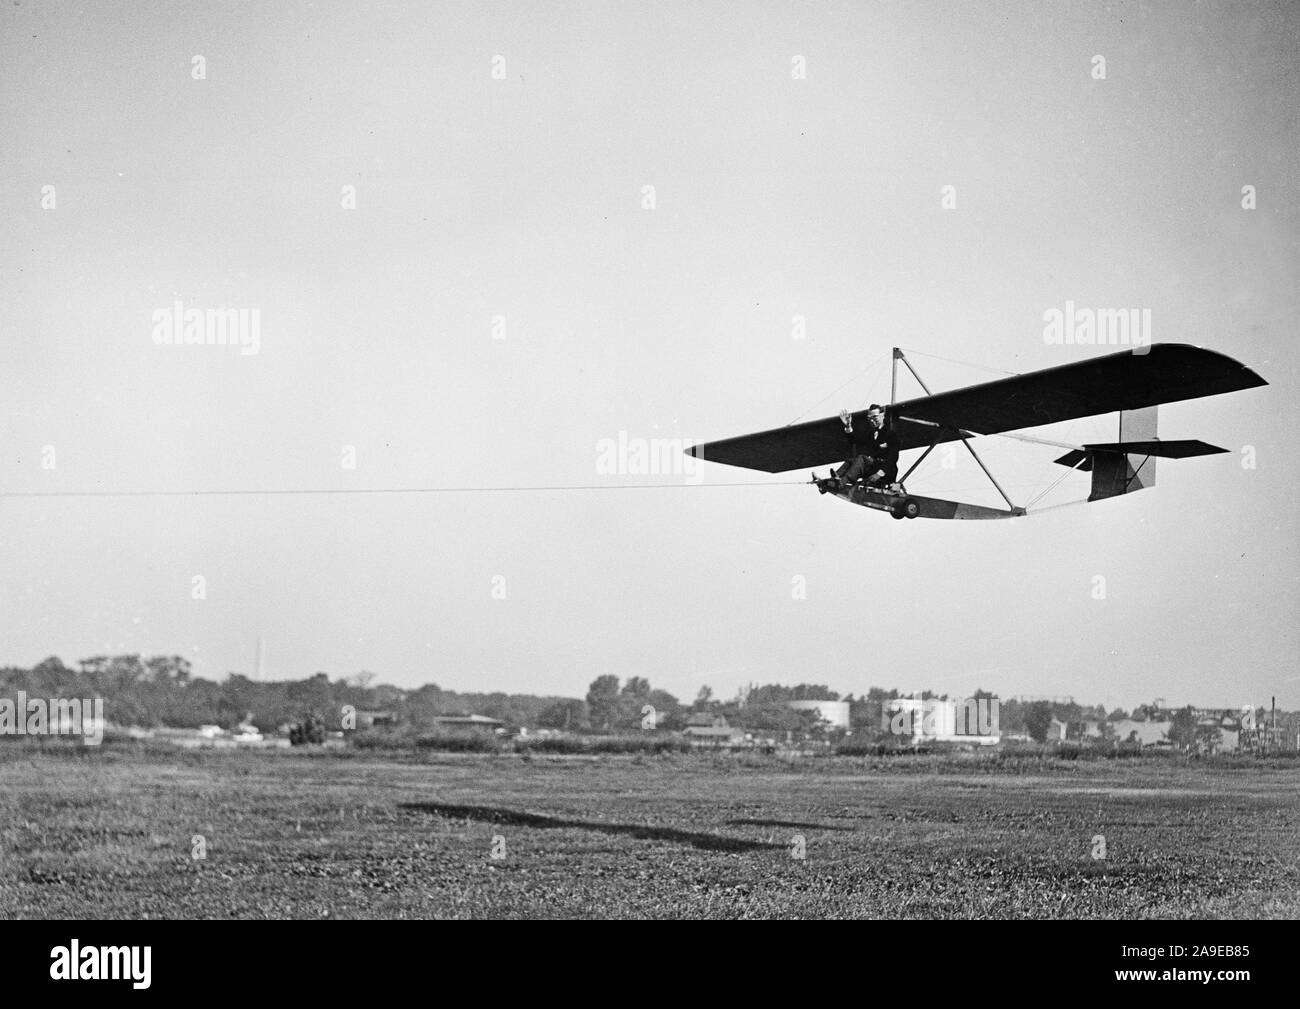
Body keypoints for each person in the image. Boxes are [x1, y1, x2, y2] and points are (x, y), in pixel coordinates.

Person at [818, 404, 898, 493]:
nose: (872, 420)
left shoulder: (891, 435)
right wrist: (848, 426)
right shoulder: (871, 434)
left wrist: (879, 474)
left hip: (887, 472)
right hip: (873, 468)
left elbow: (893, 458)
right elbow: (855, 440)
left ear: (882, 415)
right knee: (851, 461)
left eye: (874, 417)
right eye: (869, 418)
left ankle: (841, 483)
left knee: (862, 458)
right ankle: (831, 482)